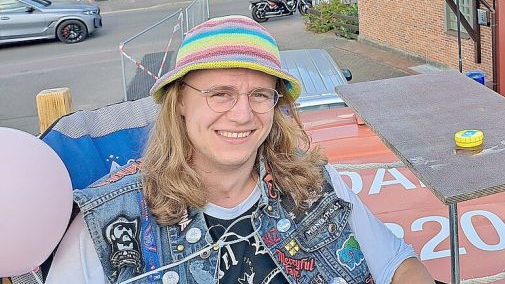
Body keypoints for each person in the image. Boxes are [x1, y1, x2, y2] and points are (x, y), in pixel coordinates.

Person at [48, 15, 434, 284]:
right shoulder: (108, 223)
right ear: (179, 102)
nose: (243, 114)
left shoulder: (314, 184)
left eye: (260, 95)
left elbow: (399, 265)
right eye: (221, 94)